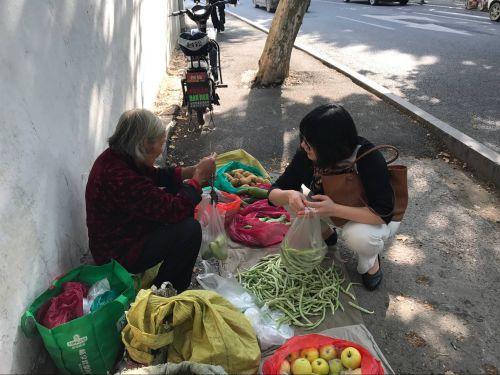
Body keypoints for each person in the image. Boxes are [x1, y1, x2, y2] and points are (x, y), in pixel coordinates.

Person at [268, 104, 400, 291]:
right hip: (330, 208)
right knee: (294, 201)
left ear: (329, 145)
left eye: (309, 141)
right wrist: (289, 194)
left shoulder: (367, 158)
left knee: (360, 237)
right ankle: (327, 234)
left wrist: (334, 209)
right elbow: (274, 193)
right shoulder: (306, 155)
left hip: (370, 217)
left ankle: (371, 263)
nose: (303, 145)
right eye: (303, 138)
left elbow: (383, 213)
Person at [85, 109, 215, 292]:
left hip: (125, 230)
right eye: (161, 143)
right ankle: (165, 292)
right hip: (117, 253)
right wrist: (197, 179)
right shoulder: (118, 175)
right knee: (189, 230)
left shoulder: (120, 155)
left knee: (177, 189)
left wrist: (191, 171)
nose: (161, 150)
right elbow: (174, 210)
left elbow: (155, 175)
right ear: (144, 144)